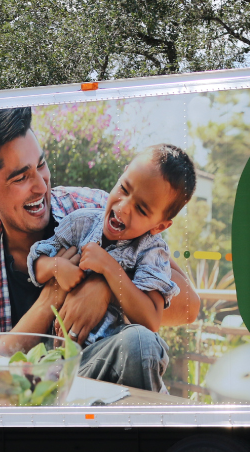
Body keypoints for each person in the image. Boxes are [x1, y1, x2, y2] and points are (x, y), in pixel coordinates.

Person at [0, 107, 200, 392]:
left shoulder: (93, 209)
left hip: (103, 376)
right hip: (36, 400)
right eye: (20, 178)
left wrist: (105, 285)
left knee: (139, 343)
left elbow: (189, 307)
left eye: (41, 165)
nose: (40, 186)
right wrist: (50, 299)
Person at [28, 144, 194, 346]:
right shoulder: (81, 222)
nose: (123, 207)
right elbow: (37, 260)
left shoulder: (152, 252)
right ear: (123, 174)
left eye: (141, 209)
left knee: (147, 345)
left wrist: (109, 268)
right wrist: (56, 266)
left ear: (159, 226)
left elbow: (151, 320)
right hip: (61, 347)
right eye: (124, 188)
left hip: (110, 351)